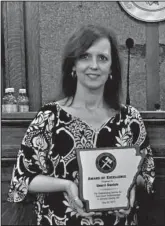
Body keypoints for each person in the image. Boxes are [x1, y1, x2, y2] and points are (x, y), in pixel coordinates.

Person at [7, 24, 155, 225]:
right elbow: (23, 179)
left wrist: (129, 189)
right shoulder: (49, 117)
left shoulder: (130, 119)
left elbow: (146, 175)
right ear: (73, 66)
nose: (94, 65)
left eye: (102, 58)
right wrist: (67, 185)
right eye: (85, 57)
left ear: (111, 68)